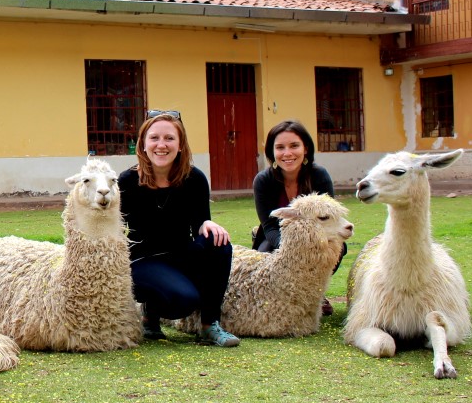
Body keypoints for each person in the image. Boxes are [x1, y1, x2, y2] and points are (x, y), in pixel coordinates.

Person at [117, 110, 240, 347]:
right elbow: (116, 229)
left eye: (169, 138)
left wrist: (208, 223)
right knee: (183, 301)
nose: (161, 145)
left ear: (180, 144)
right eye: (154, 138)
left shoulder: (194, 179)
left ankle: (209, 326)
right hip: (143, 261)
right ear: (143, 144)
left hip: (180, 255)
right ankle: (150, 315)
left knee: (218, 241)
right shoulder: (127, 181)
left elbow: (200, 223)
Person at [251, 119, 343, 315]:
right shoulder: (263, 181)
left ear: (306, 149)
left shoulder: (319, 176)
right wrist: (291, 250)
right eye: (280, 147)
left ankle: (316, 293)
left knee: (337, 248)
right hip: (277, 237)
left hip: (317, 237)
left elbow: (330, 218)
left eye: (294, 146)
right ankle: (279, 294)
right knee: (265, 252)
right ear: (272, 152)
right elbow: (269, 226)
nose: (287, 153)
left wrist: (308, 246)